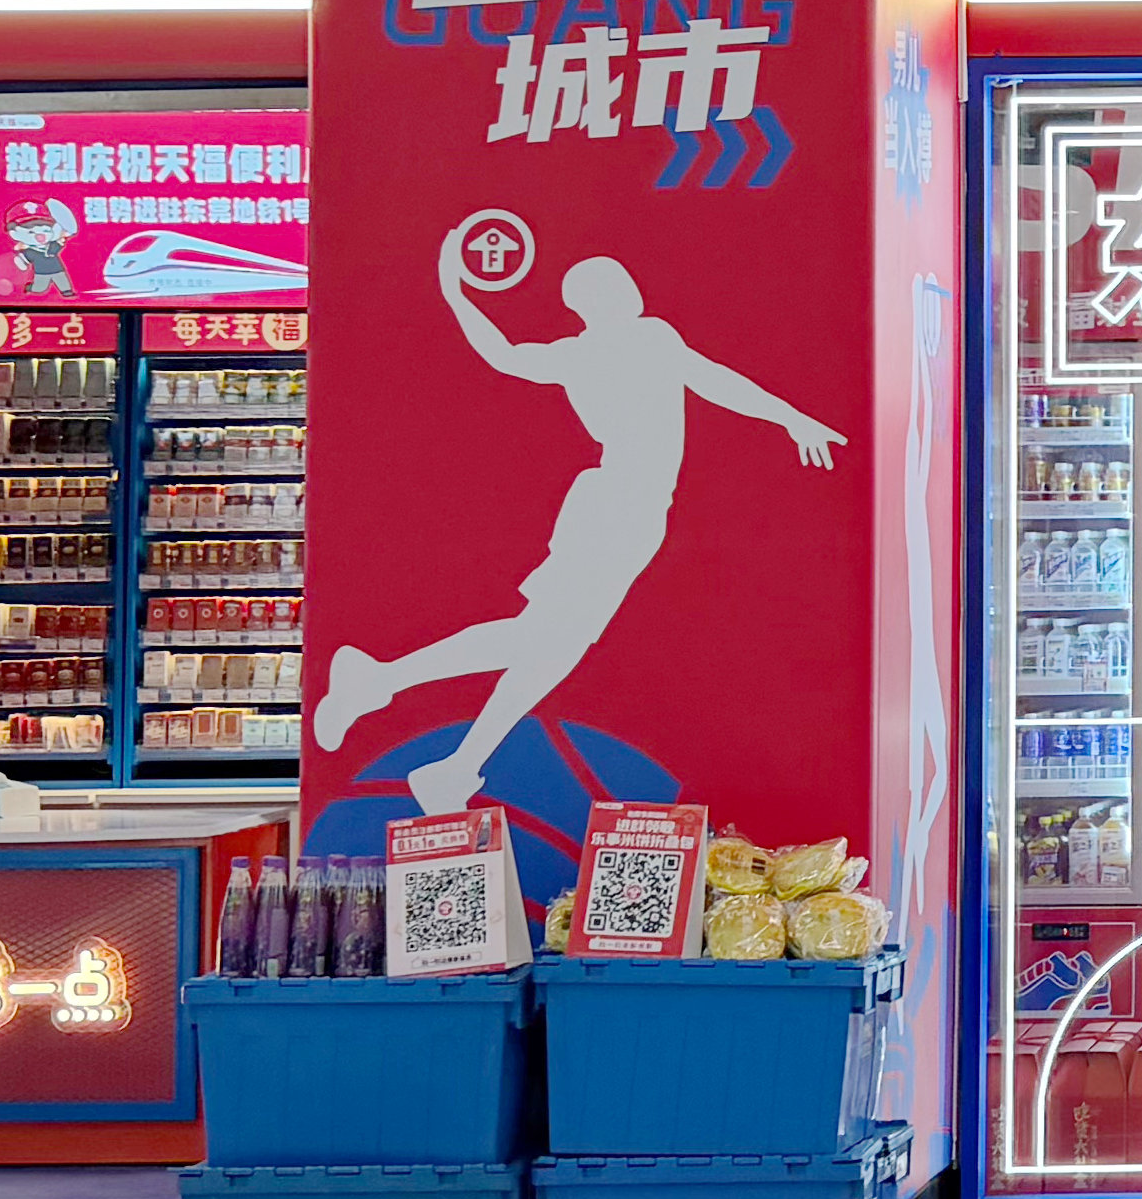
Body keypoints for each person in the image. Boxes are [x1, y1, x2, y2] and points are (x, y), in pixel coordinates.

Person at [316, 241, 841, 817]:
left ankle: (446, 755)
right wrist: (789, 417)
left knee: (549, 646)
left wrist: (458, 296)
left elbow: (505, 353)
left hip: (627, 510)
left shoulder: (582, 354)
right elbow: (714, 380)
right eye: (615, 282)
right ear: (599, 300)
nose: (631, 287)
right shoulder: (647, 338)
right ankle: (386, 689)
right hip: (618, 507)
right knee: (548, 642)